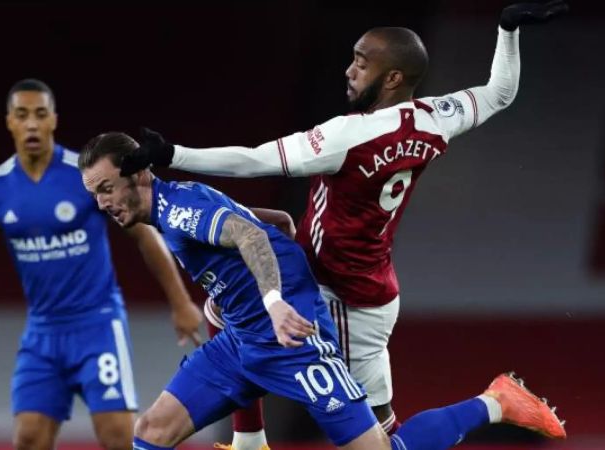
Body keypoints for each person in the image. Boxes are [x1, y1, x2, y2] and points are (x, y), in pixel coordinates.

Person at [118, 2, 568, 448]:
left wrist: (174, 155)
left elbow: (254, 160)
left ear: (393, 78)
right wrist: (507, 30)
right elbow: (499, 93)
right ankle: (249, 441)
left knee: (380, 443)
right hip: (358, 279)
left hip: (343, 296)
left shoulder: (346, 137)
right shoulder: (436, 118)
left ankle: (495, 405)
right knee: (227, 308)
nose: (349, 72)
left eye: (361, 63)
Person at [78, 131, 566, 450]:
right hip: (243, 343)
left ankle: (498, 402)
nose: (101, 204)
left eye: (105, 188)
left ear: (139, 174)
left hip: (292, 340)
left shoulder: (180, 211)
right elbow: (266, 223)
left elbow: (247, 237)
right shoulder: (176, 208)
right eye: (93, 194)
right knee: (151, 432)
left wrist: (272, 301)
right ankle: (251, 439)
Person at [0, 79, 202, 450]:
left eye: (40, 114)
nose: (32, 124)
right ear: (10, 122)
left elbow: (145, 236)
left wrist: (180, 302)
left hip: (97, 324)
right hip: (43, 333)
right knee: (29, 438)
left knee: (118, 438)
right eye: (22, 115)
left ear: (54, 120)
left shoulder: (84, 176)